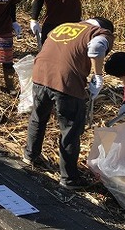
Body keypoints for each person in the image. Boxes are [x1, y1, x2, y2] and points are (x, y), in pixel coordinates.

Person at [23, 17, 115, 190]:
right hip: (66, 81)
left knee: (38, 117)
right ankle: (69, 178)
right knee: (71, 130)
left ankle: (30, 155)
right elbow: (96, 48)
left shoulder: (64, 25)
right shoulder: (100, 33)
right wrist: (98, 75)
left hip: (40, 73)